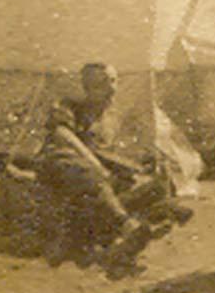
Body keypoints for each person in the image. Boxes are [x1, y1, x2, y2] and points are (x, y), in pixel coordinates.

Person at [34, 63, 191, 275]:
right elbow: (62, 134)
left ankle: (150, 220)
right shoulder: (69, 105)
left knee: (148, 177)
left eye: (113, 81)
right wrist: (94, 162)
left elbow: (108, 153)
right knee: (87, 172)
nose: (111, 89)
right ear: (86, 88)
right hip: (62, 163)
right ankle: (127, 225)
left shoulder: (108, 116)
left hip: (91, 178)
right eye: (101, 84)